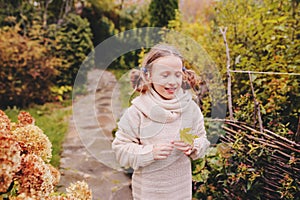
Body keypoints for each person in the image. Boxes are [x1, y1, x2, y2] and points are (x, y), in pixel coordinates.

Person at [112, 44, 210, 200]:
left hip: (181, 191)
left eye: (177, 75)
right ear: (149, 76)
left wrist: (195, 146)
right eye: (165, 75)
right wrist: (149, 152)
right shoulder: (137, 112)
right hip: (149, 193)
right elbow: (120, 150)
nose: (172, 82)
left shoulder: (190, 108)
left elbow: (202, 140)